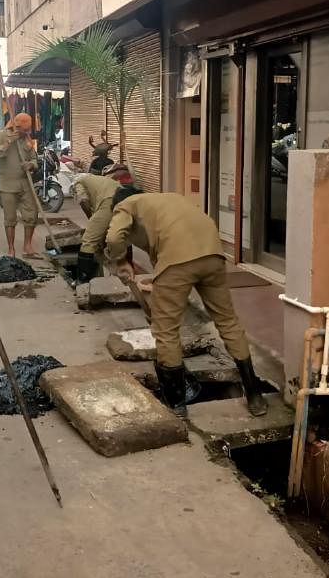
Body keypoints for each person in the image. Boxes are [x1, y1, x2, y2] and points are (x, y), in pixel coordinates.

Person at [105, 189, 269, 419]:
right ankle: (255, 396)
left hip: (177, 264)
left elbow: (113, 238)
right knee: (228, 322)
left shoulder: (126, 205)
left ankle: (177, 406)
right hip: (213, 256)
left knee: (166, 332)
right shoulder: (169, 200)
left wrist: (120, 260)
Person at [0, 112, 38, 258]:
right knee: (10, 218)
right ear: (17, 126)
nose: (27, 132)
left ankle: (27, 246)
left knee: (31, 215)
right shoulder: (1, 136)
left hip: (26, 184)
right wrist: (8, 143)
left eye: (28, 130)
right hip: (7, 185)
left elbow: (35, 159)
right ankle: (11, 249)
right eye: (25, 130)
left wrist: (31, 165)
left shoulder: (27, 139)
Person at [72, 172, 126, 282]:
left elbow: (83, 200)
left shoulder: (78, 182)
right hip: (123, 196)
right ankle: (110, 277)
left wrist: (91, 217)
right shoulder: (96, 179)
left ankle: (83, 281)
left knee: (89, 240)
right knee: (119, 235)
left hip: (109, 200)